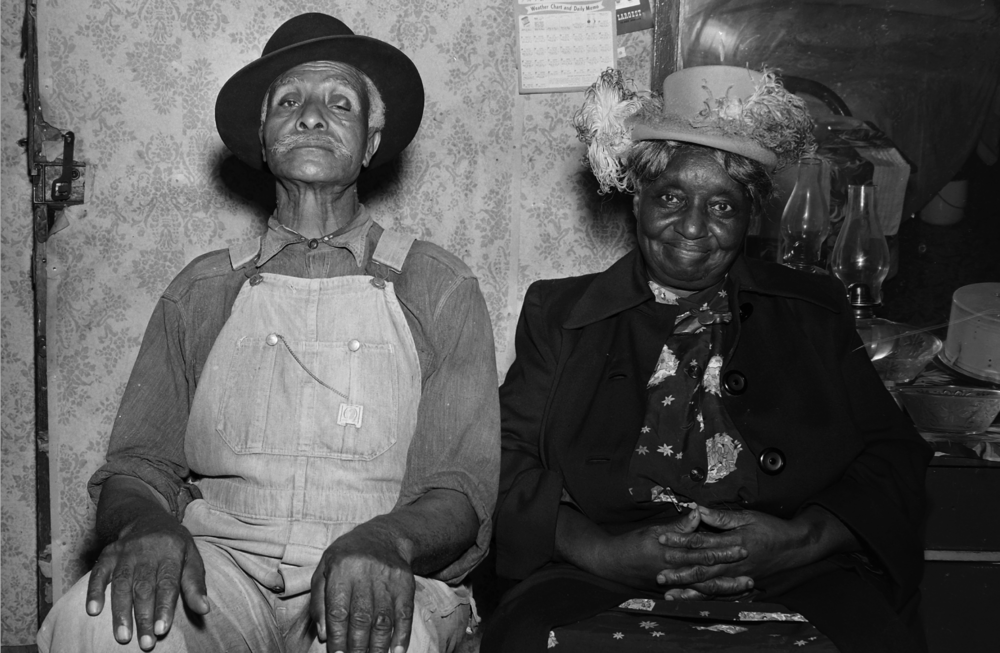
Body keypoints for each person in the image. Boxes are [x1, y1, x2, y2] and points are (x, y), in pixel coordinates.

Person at [37, 13, 499, 653]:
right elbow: (138, 465)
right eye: (290, 102)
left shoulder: (438, 286)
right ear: (262, 137)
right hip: (223, 569)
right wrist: (143, 523)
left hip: (381, 564)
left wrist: (386, 542)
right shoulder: (202, 290)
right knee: (97, 629)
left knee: (384, 641)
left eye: (339, 102)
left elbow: (461, 489)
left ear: (369, 143)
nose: (312, 116)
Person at [484, 66, 931, 652]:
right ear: (635, 199)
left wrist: (798, 541)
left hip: (793, 579)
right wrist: (601, 550)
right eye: (670, 197)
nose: (692, 228)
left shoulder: (813, 311)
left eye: (723, 207)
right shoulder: (559, 314)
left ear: (751, 217)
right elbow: (503, 462)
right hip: (593, 579)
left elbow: (893, 457)